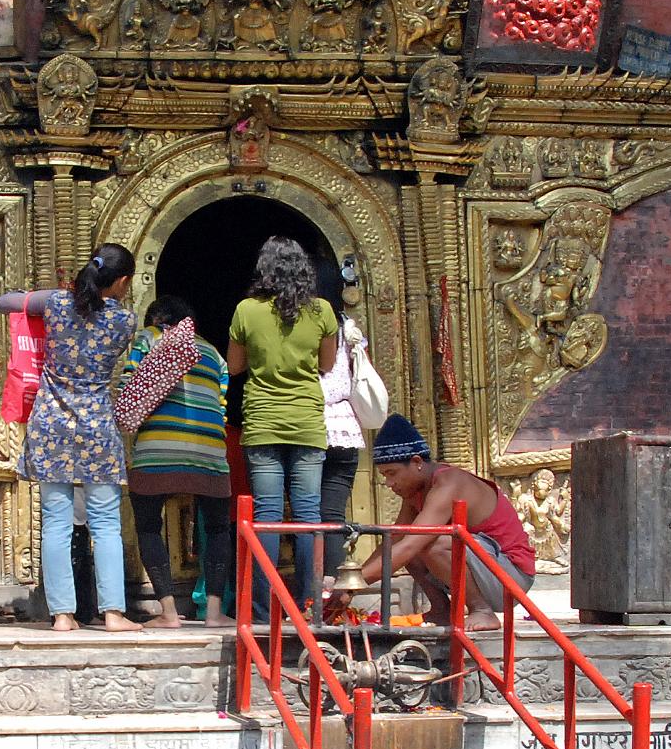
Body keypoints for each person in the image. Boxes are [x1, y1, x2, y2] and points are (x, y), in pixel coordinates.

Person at [0, 245, 140, 633]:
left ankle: (62, 615)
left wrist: (45, 295)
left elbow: (3, 302)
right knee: (106, 523)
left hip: (51, 424)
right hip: (96, 426)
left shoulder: (57, 304)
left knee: (56, 523)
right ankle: (113, 614)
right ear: (123, 281)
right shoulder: (125, 321)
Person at [228, 237, 339, 620]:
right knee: (309, 515)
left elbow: (235, 366)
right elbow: (327, 365)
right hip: (307, 422)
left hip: (262, 422)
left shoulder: (247, 310)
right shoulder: (322, 311)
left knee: (268, 516)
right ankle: (309, 607)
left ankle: (263, 610)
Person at [350, 414, 537, 627]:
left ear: (417, 462)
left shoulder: (448, 483)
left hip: (511, 578)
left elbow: (412, 544)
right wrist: (350, 580)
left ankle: (482, 610)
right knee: (407, 547)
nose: (389, 483)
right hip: (486, 572)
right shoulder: (415, 492)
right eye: (385, 476)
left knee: (430, 543)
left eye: (392, 473)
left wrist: (352, 586)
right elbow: (395, 540)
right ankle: (441, 610)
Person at [119, 298, 235, 629]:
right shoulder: (213, 353)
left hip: (158, 450)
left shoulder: (149, 338)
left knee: (148, 526)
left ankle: (169, 612)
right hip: (210, 452)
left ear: (156, 319)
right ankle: (213, 614)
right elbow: (221, 404)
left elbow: (130, 389)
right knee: (216, 529)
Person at [315, 286, 373, 582]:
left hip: (312, 424)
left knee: (307, 515)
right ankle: (333, 584)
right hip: (347, 429)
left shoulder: (309, 327)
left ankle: (308, 589)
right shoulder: (351, 330)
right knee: (333, 514)